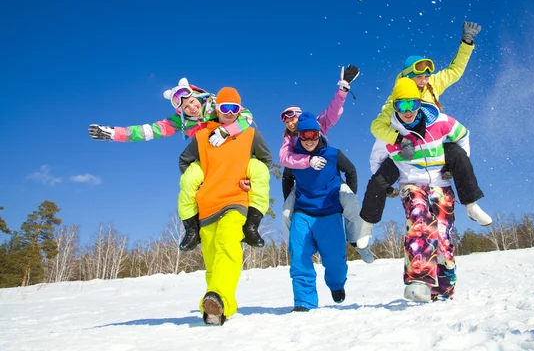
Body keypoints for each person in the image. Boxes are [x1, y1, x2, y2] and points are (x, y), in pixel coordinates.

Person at [88, 78, 270, 248]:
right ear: (180, 111)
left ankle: (252, 225)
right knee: (189, 180)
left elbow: (246, 115)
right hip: (207, 157)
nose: (191, 107)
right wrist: (114, 133)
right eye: (185, 107)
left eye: (191, 101)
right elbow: (148, 131)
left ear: (196, 96)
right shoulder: (179, 122)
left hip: (233, 152)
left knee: (259, 171)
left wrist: (228, 130)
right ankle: (192, 229)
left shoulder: (215, 103)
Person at [361, 21, 492, 227]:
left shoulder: (433, 85)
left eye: (426, 76)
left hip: (434, 145)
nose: (424, 81)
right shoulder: (395, 101)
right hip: (406, 150)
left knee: (458, 155)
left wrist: (466, 43)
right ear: (407, 78)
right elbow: (377, 127)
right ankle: (367, 225)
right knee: (379, 179)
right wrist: (398, 139)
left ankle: (471, 204)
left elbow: (454, 71)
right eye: (419, 77)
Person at [178, 86, 272, 325]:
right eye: (224, 107)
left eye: (234, 108)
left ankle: (218, 297)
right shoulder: (202, 137)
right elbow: (184, 162)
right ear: (216, 108)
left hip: (236, 201)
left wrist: (251, 178)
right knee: (212, 259)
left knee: (228, 245)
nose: (229, 112)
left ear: (240, 110)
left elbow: (266, 160)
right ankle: (216, 309)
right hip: (208, 204)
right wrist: (201, 179)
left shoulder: (250, 134)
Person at [369, 78, 468, 302]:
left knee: (442, 234)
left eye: (412, 105)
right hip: (411, 182)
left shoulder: (440, 121)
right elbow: (377, 159)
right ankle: (419, 280)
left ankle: (443, 289)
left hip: (440, 183)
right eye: (401, 106)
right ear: (394, 106)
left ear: (419, 103)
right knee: (419, 219)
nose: (407, 111)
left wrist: (454, 167)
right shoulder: (389, 130)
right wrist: (385, 187)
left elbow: (463, 137)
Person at [279, 65, 375, 263]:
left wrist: (343, 88)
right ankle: (298, 248)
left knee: (350, 204)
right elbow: (284, 161)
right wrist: (307, 161)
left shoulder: (317, 126)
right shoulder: (289, 141)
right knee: (287, 212)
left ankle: (357, 242)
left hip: (329, 181)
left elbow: (332, 111)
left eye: (293, 117)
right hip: (305, 187)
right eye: (286, 120)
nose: (290, 122)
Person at [288, 112, 351, 311]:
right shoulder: (294, 157)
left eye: (313, 135)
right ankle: (304, 302)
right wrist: (289, 201)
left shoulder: (333, 154)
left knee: (335, 260)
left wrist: (349, 193)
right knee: (299, 255)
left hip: (330, 212)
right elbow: (286, 178)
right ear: (299, 135)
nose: (308, 140)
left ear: (319, 134)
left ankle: (336, 284)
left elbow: (351, 171)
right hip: (303, 212)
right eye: (304, 135)